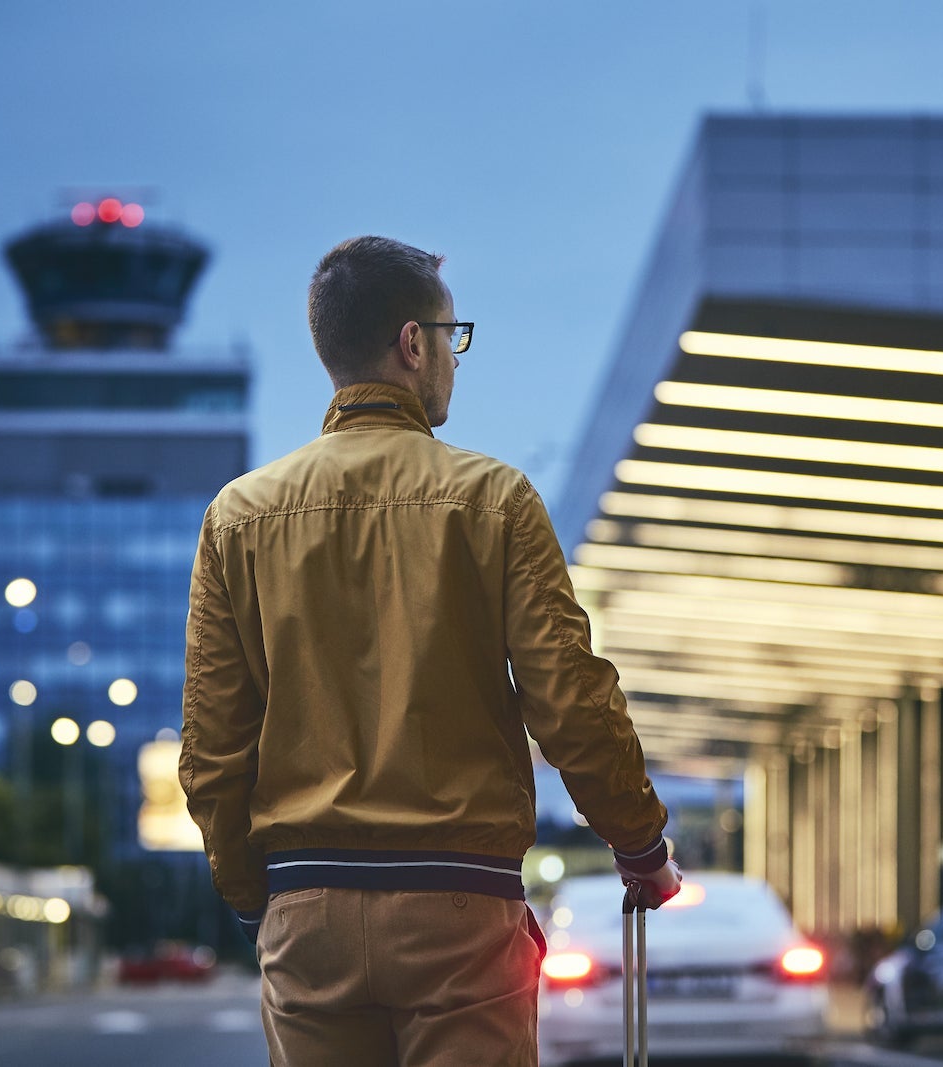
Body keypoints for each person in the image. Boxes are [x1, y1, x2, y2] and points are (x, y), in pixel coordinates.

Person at [180, 235, 682, 1066]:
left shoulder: (238, 517)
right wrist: (641, 844)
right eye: (454, 336)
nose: (455, 356)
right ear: (413, 344)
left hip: (309, 911)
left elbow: (212, 748)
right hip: (460, 909)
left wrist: (257, 899)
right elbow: (571, 699)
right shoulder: (493, 501)